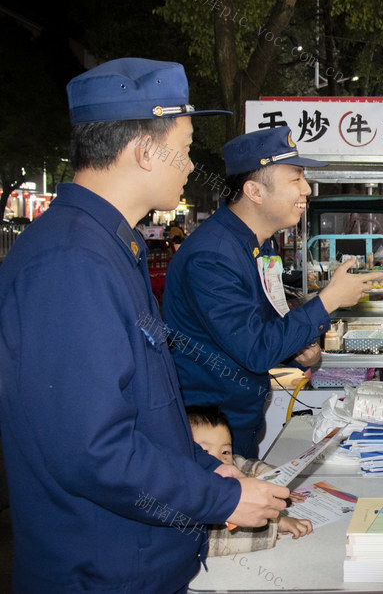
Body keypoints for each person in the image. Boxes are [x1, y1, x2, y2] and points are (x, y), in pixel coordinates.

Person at [0, 58, 289, 591]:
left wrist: (206, 473)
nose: (188, 163)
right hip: (102, 570)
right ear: (142, 151)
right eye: (183, 145)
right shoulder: (70, 263)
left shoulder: (109, 246)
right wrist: (219, 498)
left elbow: (141, 415)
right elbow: (94, 451)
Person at [164, 127, 383, 458]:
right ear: (254, 191)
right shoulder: (212, 255)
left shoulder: (253, 244)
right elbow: (254, 349)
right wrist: (330, 299)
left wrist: (293, 350)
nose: (306, 190)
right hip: (210, 436)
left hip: (238, 420)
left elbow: (252, 328)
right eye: (295, 179)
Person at [186, 405, 312, 555]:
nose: (219, 459)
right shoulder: (184, 494)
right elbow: (213, 540)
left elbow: (245, 464)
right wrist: (276, 525)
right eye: (205, 452)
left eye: (225, 451)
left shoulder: (228, 465)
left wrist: (277, 485)